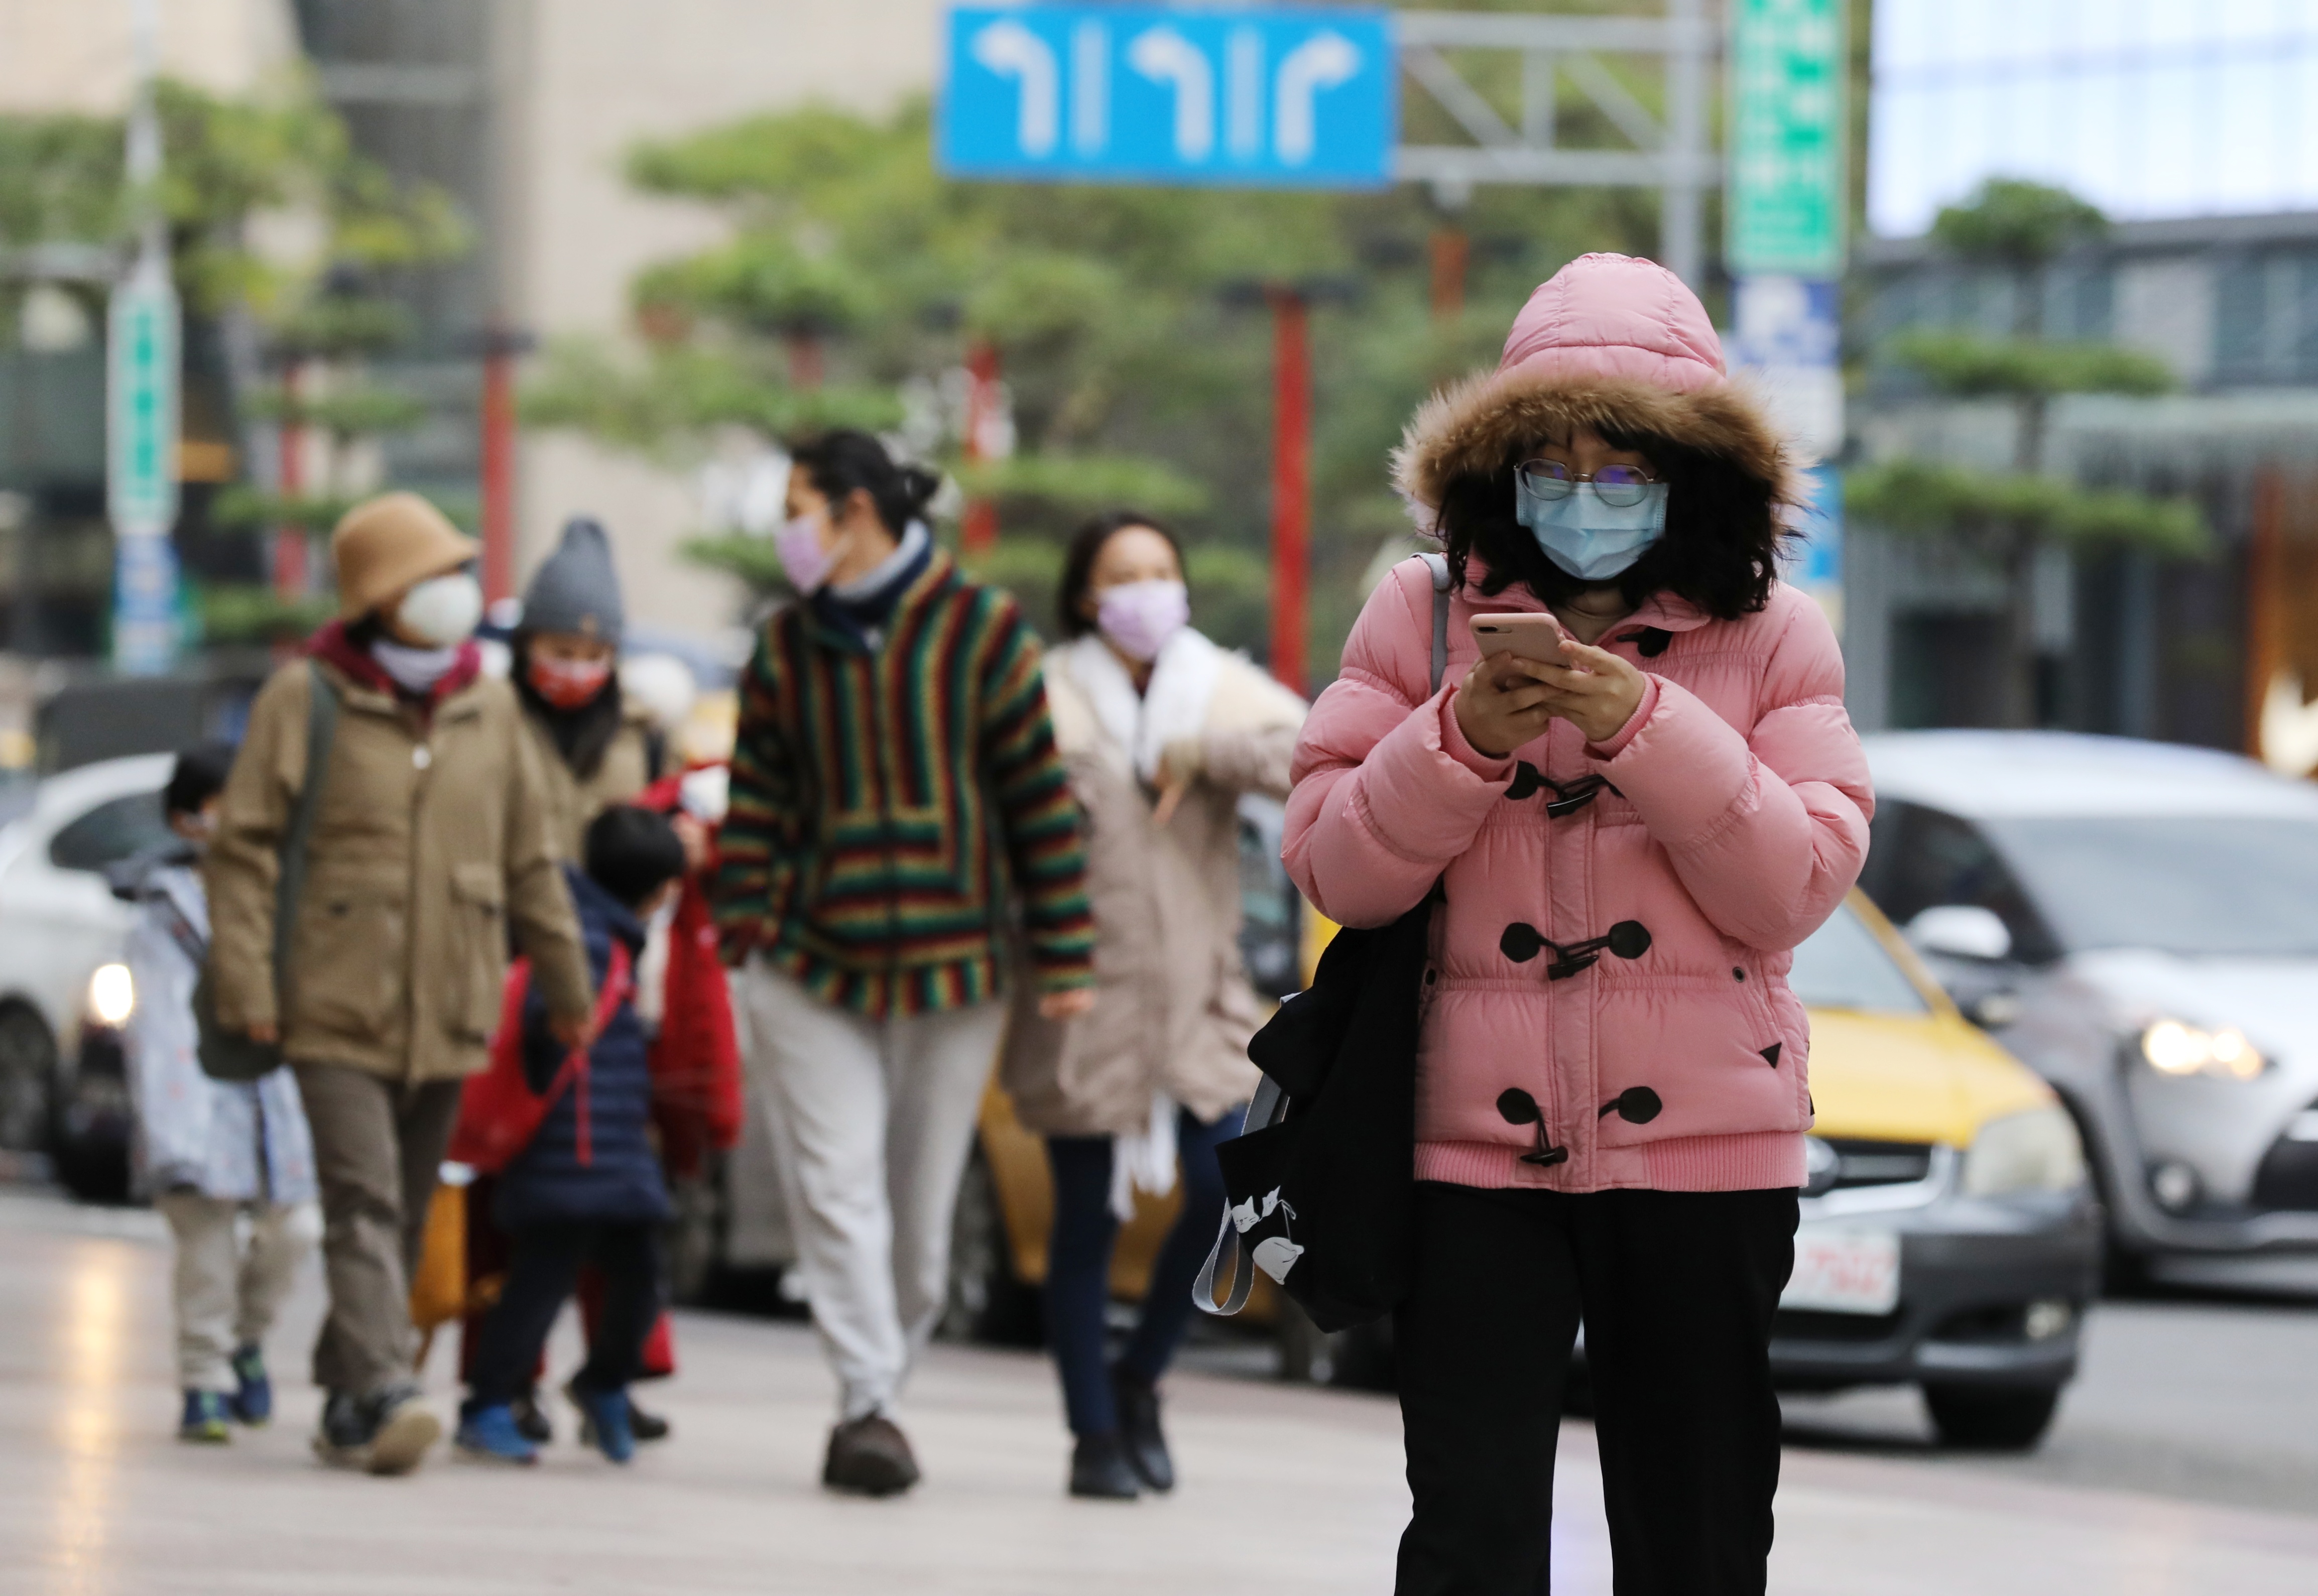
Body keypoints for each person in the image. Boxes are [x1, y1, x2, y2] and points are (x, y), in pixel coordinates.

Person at [1283, 253, 1873, 1594]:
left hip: (1709, 1158)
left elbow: (1795, 884)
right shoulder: (1420, 612)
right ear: (1497, 471)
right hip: (1470, 1157)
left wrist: (1644, 727)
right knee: (1470, 1534)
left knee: (1698, 1532)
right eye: (1549, 466)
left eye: (1623, 471)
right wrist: (1456, 742)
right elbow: (1333, 866)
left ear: (1688, 474)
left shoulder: (1778, 634)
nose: (1584, 499)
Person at [711, 429, 1094, 1498]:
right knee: (833, 1189)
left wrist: (1062, 951)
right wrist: (740, 921)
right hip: (807, 960)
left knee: (920, 1221)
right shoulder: (784, 647)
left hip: (959, 964)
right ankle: (868, 1404)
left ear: (856, 511)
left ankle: (881, 1384)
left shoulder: (981, 630)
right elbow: (756, 803)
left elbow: (1035, 801)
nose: (788, 532)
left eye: (799, 507)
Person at [206, 490, 594, 1477]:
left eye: (459, 571)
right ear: (381, 594)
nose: (457, 592)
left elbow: (529, 861)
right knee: (363, 1201)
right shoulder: (307, 698)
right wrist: (249, 978)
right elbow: (244, 850)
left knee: (408, 1212)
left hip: (454, 1005)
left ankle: (342, 1391)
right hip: (329, 1002)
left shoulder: (491, 703)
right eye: (433, 576)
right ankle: (383, 1388)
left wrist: (570, 988)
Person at [998, 511, 1305, 1500]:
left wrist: (1203, 755)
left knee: (1225, 1193)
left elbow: (1312, 758)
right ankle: (1092, 1435)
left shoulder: (1221, 689)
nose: (1144, 591)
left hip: (1200, 1004)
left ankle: (1140, 1381)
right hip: (1078, 999)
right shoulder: (1045, 695)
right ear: (1087, 593)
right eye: (1122, 575)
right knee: (1081, 1225)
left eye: (1160, 571)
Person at [460, 513, 676, 1449]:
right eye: (559, 645)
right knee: (523, 1214)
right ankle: (503, 1386)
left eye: (595, 649)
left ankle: (610, 1376)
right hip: (512, 973)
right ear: (525, 646)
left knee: (610, 1210)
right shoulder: (491, 718)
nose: (577, 664)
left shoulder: (639, 731)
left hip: (616, 980)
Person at [455, 805, 689, 1466]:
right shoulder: (585, 940)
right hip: (571, 1147)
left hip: (607, 1149)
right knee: (542, 1283)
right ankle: (488, 1405)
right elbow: (541, 1021)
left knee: (638, 1275)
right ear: (653, 891)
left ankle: (603, 1383)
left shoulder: (603, 934)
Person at [115, 743, 320, 1444]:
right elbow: (161, 1025)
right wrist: (174, 1131)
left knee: (296, 1232)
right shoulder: (164, 915)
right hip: (194, 1103)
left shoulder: (294, 899)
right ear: (187, 820)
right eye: (225, 803)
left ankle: (247, 1339)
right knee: (206, 1250)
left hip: (277, 1104)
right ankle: (203, 1381)